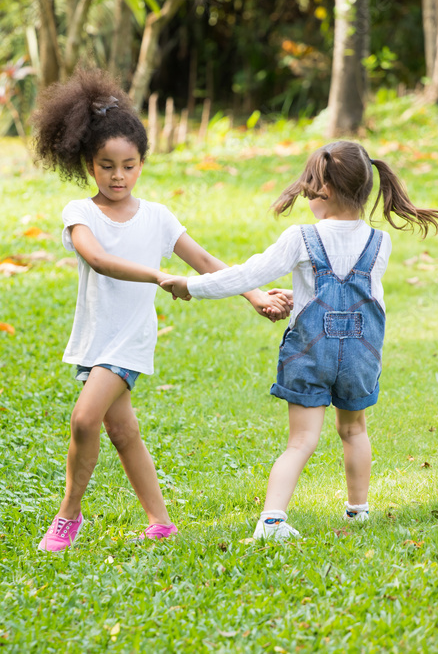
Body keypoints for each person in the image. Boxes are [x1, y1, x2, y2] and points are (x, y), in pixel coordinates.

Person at [30, 68, 291, 552]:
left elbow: (206, 261)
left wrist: (254, 293)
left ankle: (68, 516)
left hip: (130, 336)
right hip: (93, 337)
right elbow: (97, 259)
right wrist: (157, 276)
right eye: (107, 165)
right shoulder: (79, 213)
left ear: (142, 163)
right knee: (121, 430)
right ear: (89, 163)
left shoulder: (157, 217)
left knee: (85, 420)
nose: (117, 176)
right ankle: (161, 522)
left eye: (128, 165)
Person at [161, 141, 438, 540]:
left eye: (309, 188)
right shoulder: (381, 242)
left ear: (324, 190)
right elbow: (365, 297)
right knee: (354, 431)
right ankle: (358, 512)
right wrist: (306, 298)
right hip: (361, 355)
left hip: (311, 353)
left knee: (300, 441)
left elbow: (248, 274)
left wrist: (191, 284)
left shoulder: (301, 237)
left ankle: (272, 521)